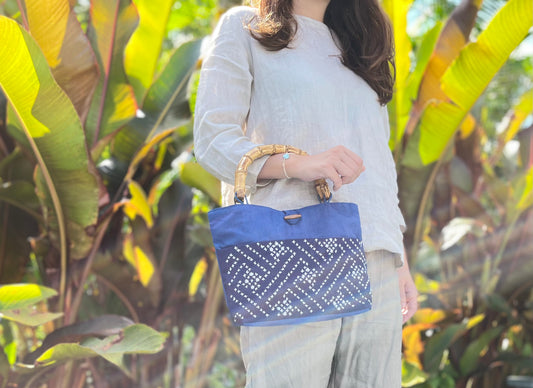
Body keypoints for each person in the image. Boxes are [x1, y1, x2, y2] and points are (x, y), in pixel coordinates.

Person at [193, 0, 418, 385]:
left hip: (376, 260)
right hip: (293, 250)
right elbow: (213, 138)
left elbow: (378, 162)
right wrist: (297, 164)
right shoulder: (246, 28)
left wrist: (399, 258)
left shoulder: (360, 47)